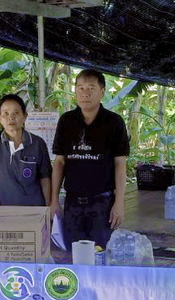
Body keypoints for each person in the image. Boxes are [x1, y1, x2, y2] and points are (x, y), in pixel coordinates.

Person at [50, 69, 130, 248]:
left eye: (91, 88)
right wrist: (54, 200)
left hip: (102, 204)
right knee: (73, 254)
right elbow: (59, 162)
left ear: (102, 91)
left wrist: (119, 203)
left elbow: (120, 163)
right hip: (73, 203)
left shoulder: (114, 122)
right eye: (80, 88)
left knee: (100, 253)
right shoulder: (66, 121)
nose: (85, 93)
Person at [0, 94, 52, 206]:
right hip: (2, 209)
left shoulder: (38, 144)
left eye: (16, 113)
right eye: (6, 113)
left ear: (24, 116)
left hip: (34, 210)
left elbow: (45, 179)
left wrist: (48, 208)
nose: (11, 117)